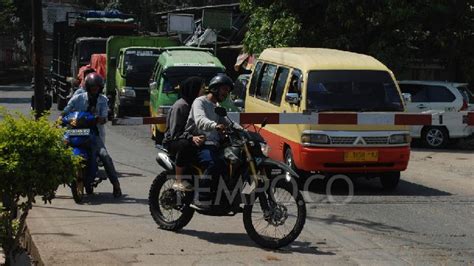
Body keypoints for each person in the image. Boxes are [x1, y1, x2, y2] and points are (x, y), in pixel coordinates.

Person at [61, 73, 122, 198]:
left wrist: (100, 119)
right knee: (58, 151)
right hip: (74, 131)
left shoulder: (103, 100)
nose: (95, 89)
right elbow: (66, 110)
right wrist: (61, 118)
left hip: (93, 133)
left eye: (97, 87)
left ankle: (116, 185)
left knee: (105, 156)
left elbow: (105, 116)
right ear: (88, 87)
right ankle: (50, 187)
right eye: (92, 86)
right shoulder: (78, 97)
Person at [184, 74, 240, 206]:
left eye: (228, 90)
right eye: (224, 89)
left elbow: (228, 122)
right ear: (215, 88)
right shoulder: (200, 102)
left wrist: (243, 131)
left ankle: (221, 197)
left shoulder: (217, 106)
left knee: (230, 163)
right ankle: (201, 196)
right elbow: (200, 120)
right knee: (213, 164)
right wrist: (215, 126)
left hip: (213, 144)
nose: (226, 93)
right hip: (199, 142)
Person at [162, 77, 205, 191]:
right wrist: (191, 138)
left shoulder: (198, 105)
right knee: (185, 145)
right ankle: (178, 180)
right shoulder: (181, 106)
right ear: (193, 89)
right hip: (174, 140)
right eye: (201, 88)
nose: (204, 91)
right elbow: (175, 133)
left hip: (192, 138)